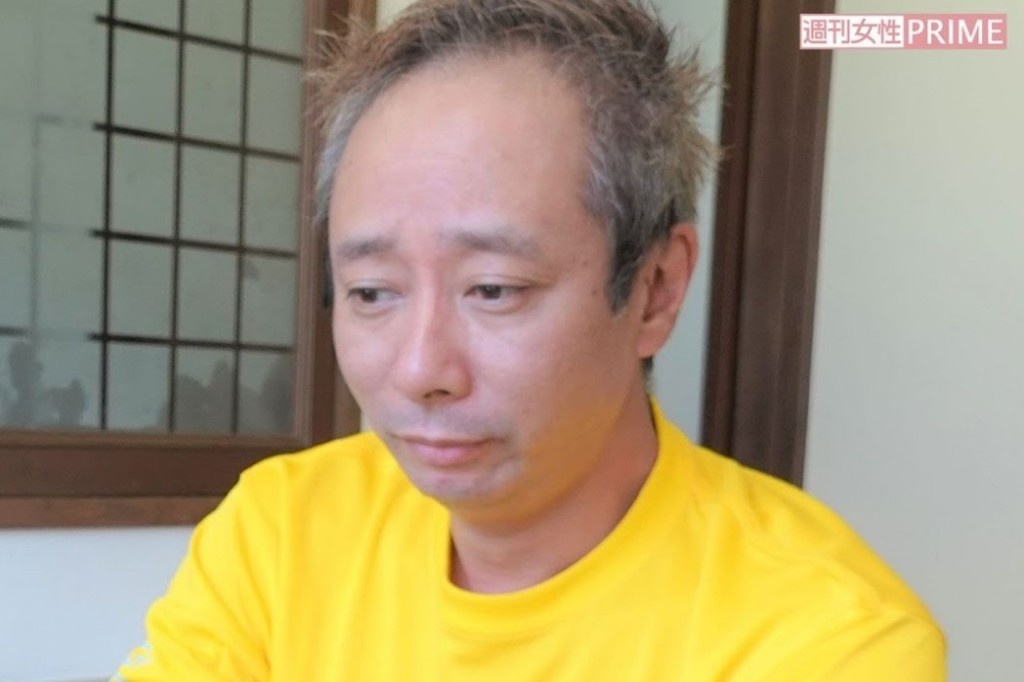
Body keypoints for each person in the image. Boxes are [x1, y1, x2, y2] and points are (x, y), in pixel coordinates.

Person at [114, 0, 945, 679]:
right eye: (371, 292)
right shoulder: (282, 531)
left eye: (493, 290)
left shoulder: (826, 639)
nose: (420, 370)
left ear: (655, 289)